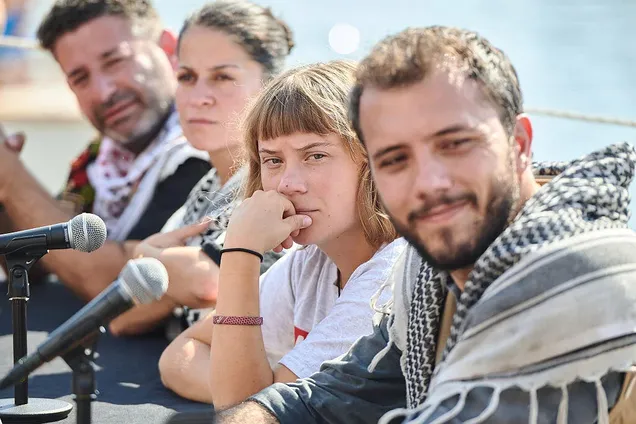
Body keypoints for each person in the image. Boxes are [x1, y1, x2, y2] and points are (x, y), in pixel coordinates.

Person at [201, 26, 636, 424]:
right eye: (396, 159)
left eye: (455, 144)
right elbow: (318, 399)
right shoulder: (426, 276)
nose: (428, 182)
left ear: (519, 144)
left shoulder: (579, 272)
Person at [158, 60, 406, 407]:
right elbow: (180, 356)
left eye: (315, 156)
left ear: (375, 159)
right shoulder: (310, 262)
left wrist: (241, 253)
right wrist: (257, 390)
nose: (288, 183)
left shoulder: (391, 276)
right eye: (273, 160)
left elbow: (254, 412)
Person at [108, 0, 295, 336]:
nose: (198, 97)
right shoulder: (207, 188)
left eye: (222, 77)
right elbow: (123, 318)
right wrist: (166, 270)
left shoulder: (274, 187)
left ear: (269, 86)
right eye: (187, 76)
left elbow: (205, 284)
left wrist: (148, 256)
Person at [0, 0, 210, 300]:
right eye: (80, 78)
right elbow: (37, 263)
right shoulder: (102, 159)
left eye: (115, 62)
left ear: (167, 48)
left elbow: (116, 289)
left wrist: (11, 177)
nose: (103, 92)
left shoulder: (201, 153)